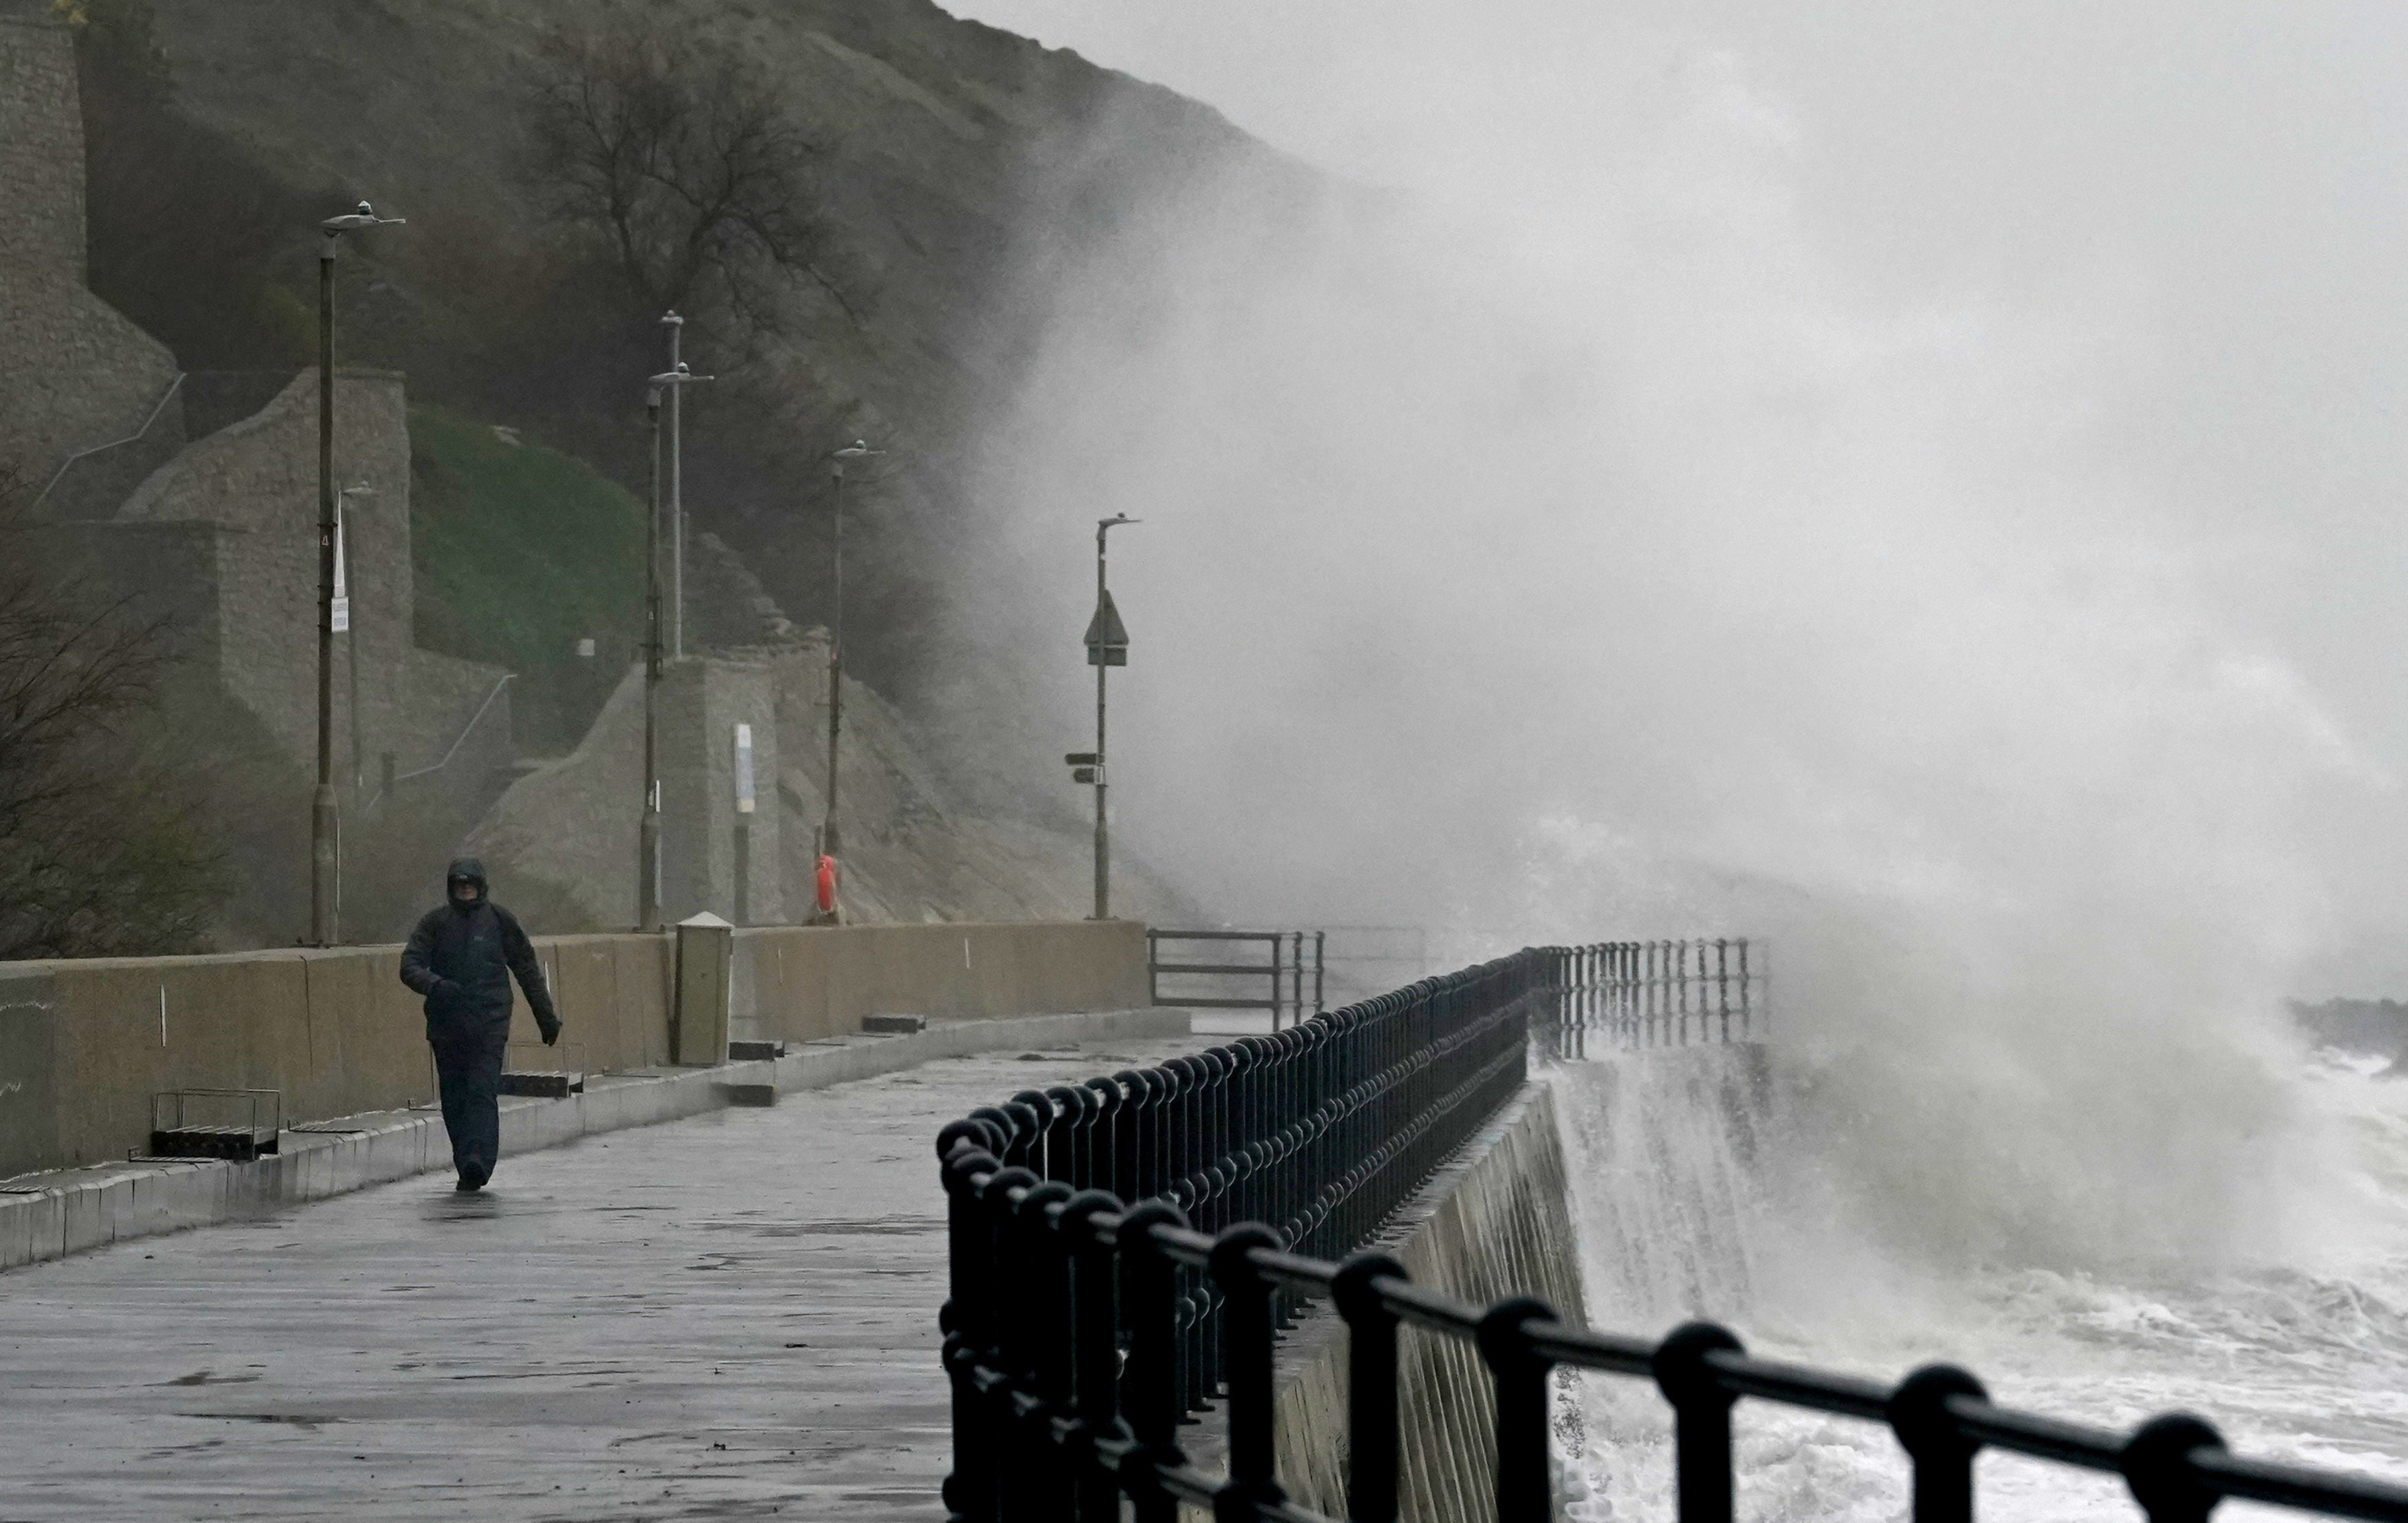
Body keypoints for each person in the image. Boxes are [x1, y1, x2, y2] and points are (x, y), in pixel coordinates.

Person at [398, 858, 562, 1191]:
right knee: (454, 1096)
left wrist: (546, 1017)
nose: (465, 891)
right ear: (451, 888)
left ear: (481, 886)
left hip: (490, 1022)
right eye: (459, 886)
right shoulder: (435, 923)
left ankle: (479, 1160)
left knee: (481, 1090)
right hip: (446, 1025)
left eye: (470, 885)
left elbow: (527, 970)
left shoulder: (500, 922)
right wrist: (435, 985)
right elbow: (409, 965)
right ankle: (465, 1161)